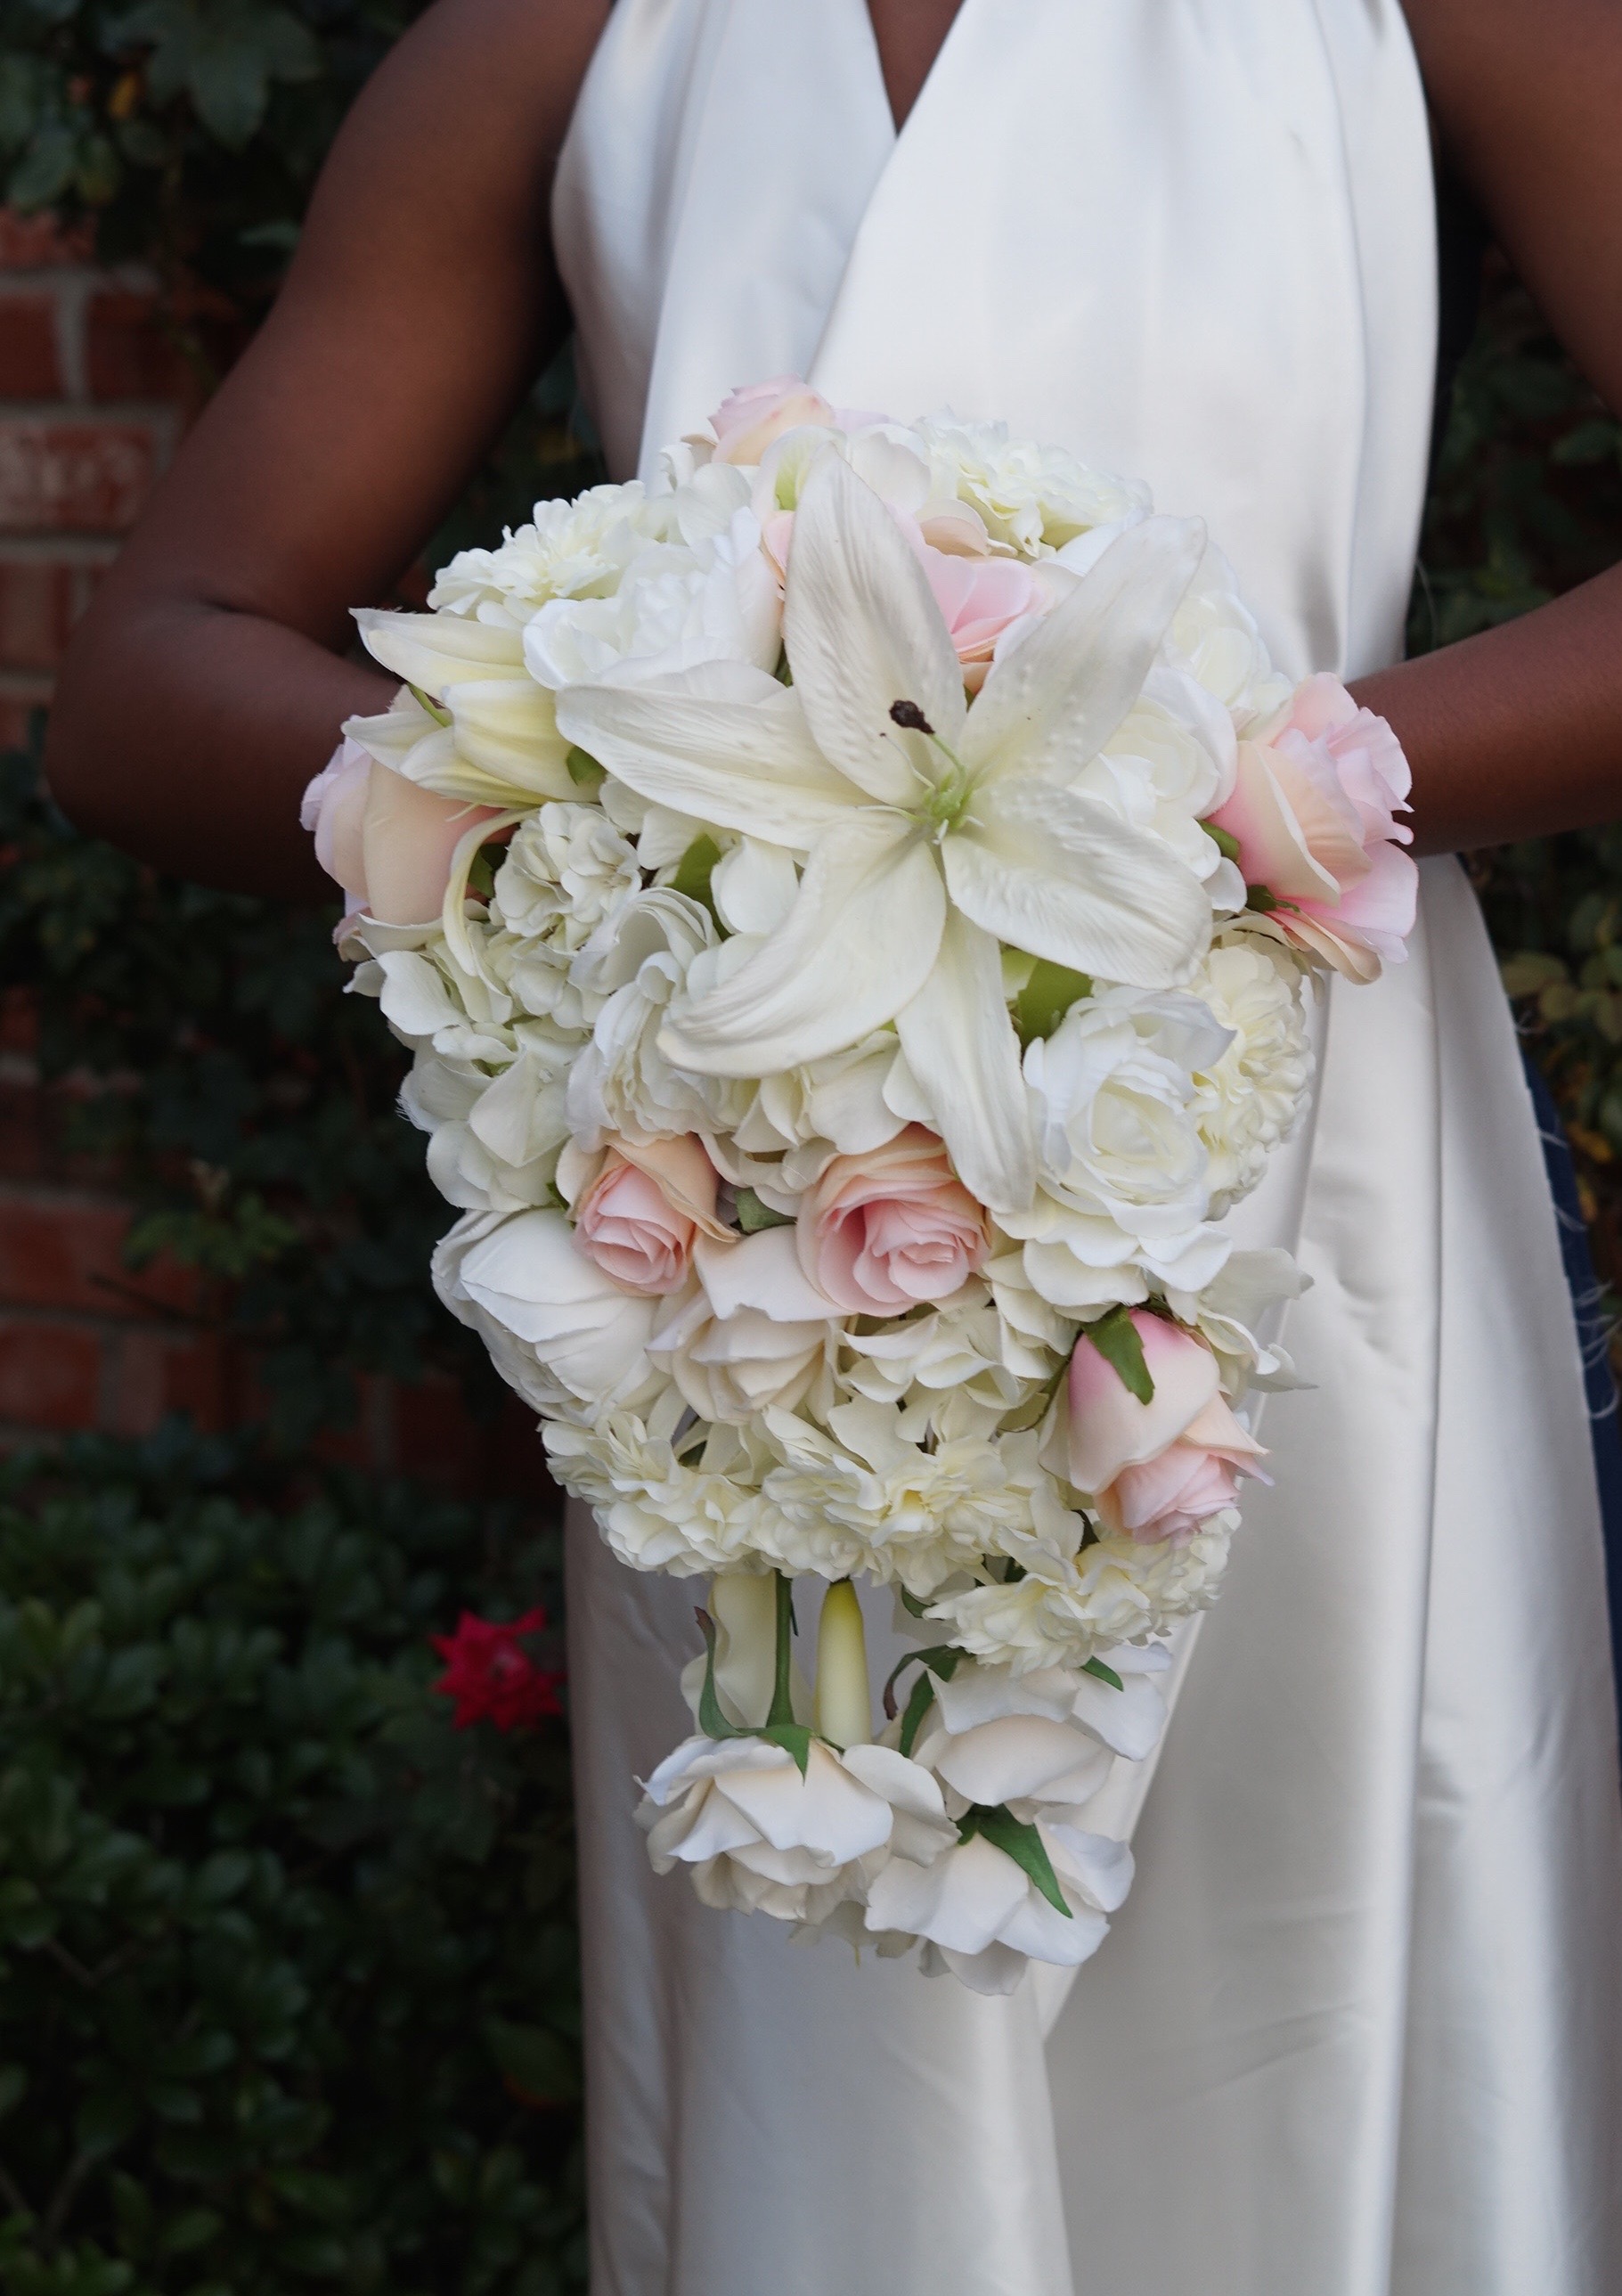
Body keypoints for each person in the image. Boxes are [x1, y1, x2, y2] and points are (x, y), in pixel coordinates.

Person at [45, 3, 1622, 2291]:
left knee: (1319, 2044)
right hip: (765, 1269)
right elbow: (147, 678)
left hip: (1302, 1233)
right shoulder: (566, 28)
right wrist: (645, 827)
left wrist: (1191, 803)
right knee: (850, 2106)